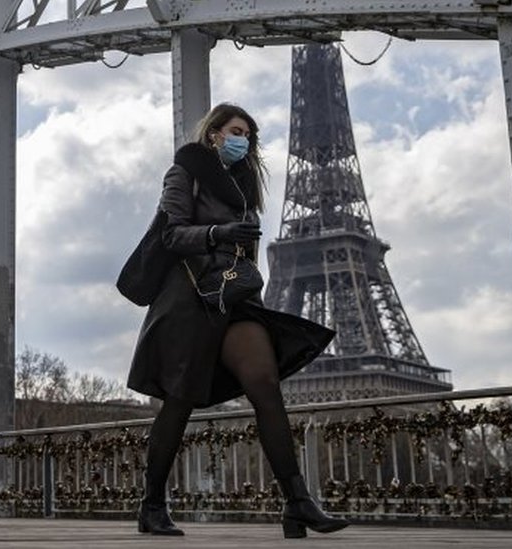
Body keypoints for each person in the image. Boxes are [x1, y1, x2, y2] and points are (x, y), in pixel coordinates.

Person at [126, 103, 349, 539]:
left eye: (248, 134)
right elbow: (171, 234)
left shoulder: (246, 187)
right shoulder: (184, 173)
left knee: (264, 383)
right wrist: (218, 234)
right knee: (180, 400)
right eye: (235, 130)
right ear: (213, 134)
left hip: (235, 298)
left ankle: (297, 502)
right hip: (191, 299)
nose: (242, 139)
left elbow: (244, 255)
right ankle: (152, 505)